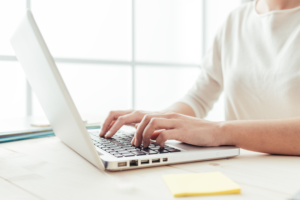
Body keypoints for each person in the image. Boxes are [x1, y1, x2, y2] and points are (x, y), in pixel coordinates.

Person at [100, 0, 300, 156]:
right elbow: (198, 98)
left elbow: (217, 129)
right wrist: (157, 119)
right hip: (241, 167)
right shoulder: (236, 20)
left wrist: (219, 131)